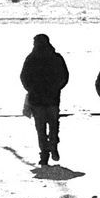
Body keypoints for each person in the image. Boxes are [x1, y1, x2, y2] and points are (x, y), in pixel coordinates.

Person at [20, 33, 70, 167]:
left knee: (40, 128)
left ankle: (44, 154)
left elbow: (24, 77)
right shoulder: (56, 58)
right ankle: (53, 145)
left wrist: (31, 89)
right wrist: (56, 87)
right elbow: (64, 76)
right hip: (53, 98)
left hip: (36, 99)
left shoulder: (31, 59)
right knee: (53, 124)